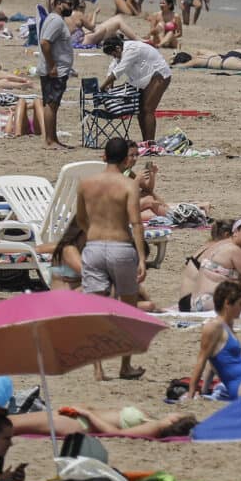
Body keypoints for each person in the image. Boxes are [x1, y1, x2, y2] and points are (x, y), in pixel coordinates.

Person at [69, 138, 149, 382]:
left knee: (96, 311)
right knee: (128, 309)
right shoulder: (128, 184)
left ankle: (98, 369)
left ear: (103, 156)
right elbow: (136, 222)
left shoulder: (86, 183)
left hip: (93, 246)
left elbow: (80, 218)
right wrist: (142, 257)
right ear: (126, 159)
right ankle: (125, 366)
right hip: (120, 246)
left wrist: (93, 232)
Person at [186, 281, 241, 400]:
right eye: (240, 304)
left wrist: (205, 390)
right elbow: (202, 360)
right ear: (227, 303)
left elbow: (212, 363)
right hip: (240, 385)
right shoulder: (213, 327)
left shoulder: (228, 325)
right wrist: (191, 395)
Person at [100, 34, 171, 142]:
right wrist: (109, 82)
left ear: (118, 48)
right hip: (145, 78)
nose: (114, 57)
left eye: (114, 54)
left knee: (148, 109)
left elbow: (119, 70)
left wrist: (103, 86)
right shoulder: (120, 50)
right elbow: (113, 66)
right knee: (140, 111)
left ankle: (150, 143)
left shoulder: (131, 49)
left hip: (159, 75)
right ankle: (145, 142)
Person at [36, 0, 75, 149]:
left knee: (53, 104)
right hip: (54, 70)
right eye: (69, 4)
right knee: (51, 104)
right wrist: (52, 65)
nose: (71, 8)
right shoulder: (56, 21)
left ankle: (53, 139)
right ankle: (49, 140)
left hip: (57, 69)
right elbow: (45, 43)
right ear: (59, 4)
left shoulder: (55, 19)